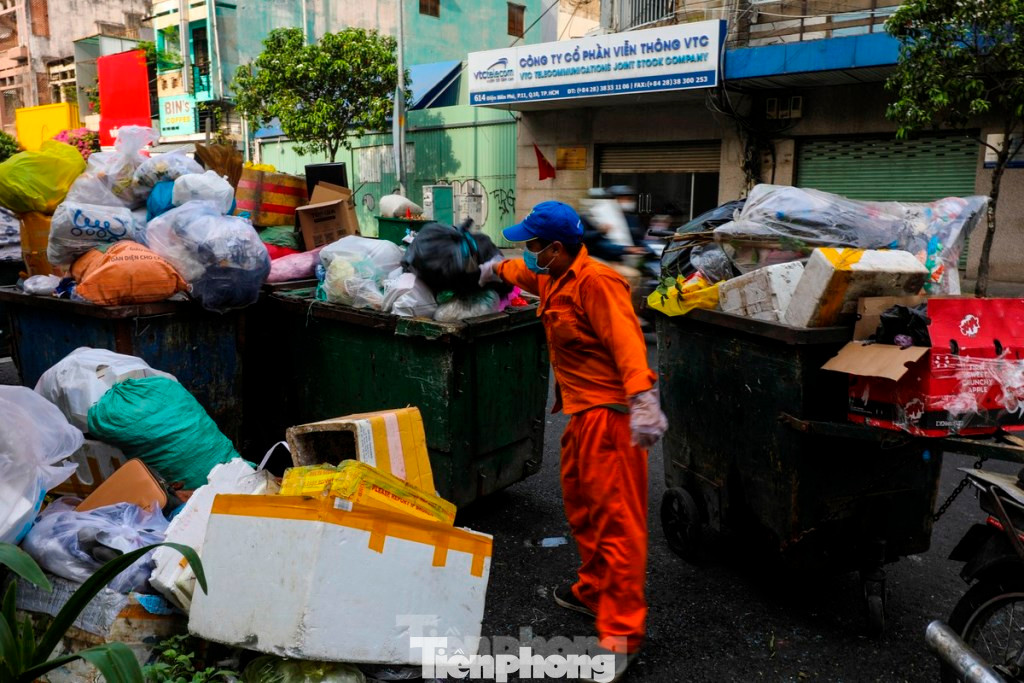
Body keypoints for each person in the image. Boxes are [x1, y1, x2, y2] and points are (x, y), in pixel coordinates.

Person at [480, 200, 668, 682]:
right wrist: (492, 269)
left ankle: (623, 634)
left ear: (556, 248)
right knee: (582, 509)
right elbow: (519, 273)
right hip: (580, 418)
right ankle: (593, 590)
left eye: (533, 245)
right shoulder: (555, 277)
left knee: (618, 524)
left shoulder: (596, 283)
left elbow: (627, 343)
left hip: (612, 419)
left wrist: (644, 399)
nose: (528, 252)